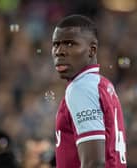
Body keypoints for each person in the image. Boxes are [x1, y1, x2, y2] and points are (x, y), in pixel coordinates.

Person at [51, 15, 127, 168]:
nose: (59, 51)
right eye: (56, 44)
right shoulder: (103, 85)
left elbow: (94, 163)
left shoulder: (81, 88)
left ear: (92, 50)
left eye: (70, 44)